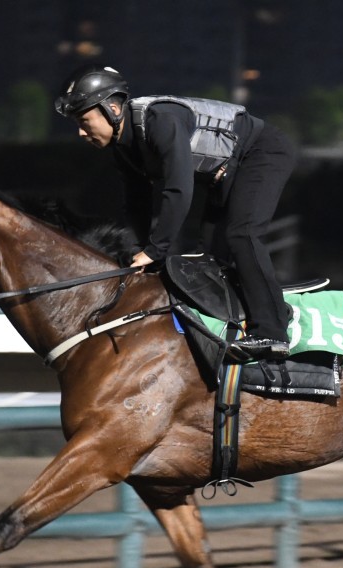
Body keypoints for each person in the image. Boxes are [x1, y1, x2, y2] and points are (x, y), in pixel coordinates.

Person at [54, 63, 295, 360]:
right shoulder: (124, 147)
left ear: (113, 109)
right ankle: (258, 314)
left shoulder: (159, 121)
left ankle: (273, 333)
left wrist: (156, 250)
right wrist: (137, 252)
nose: (80, 132)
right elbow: (137, 202)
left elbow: (179, 190)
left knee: (242, 236)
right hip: (226, 170)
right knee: (208, 255)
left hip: (262, 152)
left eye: (84, 120)